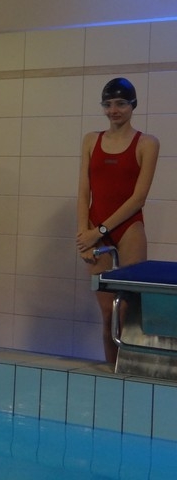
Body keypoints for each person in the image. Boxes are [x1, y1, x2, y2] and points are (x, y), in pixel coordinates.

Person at [76, 78, 159, 365]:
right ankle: (112, 375)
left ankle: (131, 372)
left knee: (126, 311)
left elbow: (138, 198)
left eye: (121, 104)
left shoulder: (147, 143)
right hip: (94, 230)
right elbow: (83, 191)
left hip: (128, 229)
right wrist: (83, 235)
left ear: (133, 105)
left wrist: (99, 230)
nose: (114, 110)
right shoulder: (91, 140)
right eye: (108, 104)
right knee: (108, 314)